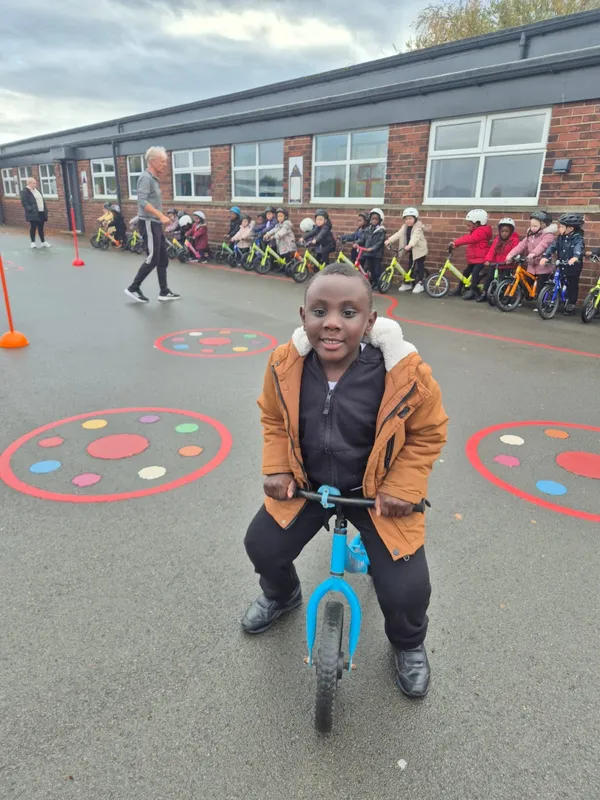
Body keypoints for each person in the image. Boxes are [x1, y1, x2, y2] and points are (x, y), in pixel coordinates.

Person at [241, 262, 448, 697]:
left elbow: (428, 432)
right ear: (303, 317)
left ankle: (408, 645)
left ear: (369, 322)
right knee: (261, 544)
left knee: (407, 589)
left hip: (377, 495)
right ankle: (282, 594)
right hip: (309, 487)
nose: (332, 323)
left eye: (348, 313)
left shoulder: (404, 375)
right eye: (319, 311)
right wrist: (278, 467)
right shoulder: (285, 366)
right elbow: (274, 418)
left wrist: (401, 489)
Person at [125, 146, 180, 303]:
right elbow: (142, 202)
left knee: (163, 258)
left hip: (154, 223)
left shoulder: (153, 179)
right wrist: (161, 216)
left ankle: (164, 291)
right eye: (162, 161)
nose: (164, 164)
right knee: (153, 257)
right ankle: (133, 288)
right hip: (149, 223)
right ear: (152, 161)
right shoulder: (146, 178)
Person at [506, 212, 557, 303]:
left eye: (535, 225)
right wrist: (511, 254)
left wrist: (533, 253)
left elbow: (543, 245)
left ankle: (542, 303)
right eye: (531, 225)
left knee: (541, 285)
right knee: (526, 282)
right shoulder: (530, 235)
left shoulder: (548, 235)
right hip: (532, 264)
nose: (532, 227)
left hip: (543, 265)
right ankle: (524, 298)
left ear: (543, 225)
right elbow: (521, 245)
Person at [540, 213, 585, 315]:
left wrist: (575, 257)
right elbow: (552, 246)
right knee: (555, 278)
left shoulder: (578, 239)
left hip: (573, 266)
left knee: (572, 285)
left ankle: (571, 303)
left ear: (570, 228)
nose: (559, 229)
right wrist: (545, 256)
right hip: (561, 263)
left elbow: (579, 248)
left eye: (562, 227)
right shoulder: (560, 237)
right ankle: (553, 298)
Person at [471, 218, 520, 303]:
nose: (504, 233)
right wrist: (487, 260)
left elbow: (515, 250)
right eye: (502, 231)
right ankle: (485, 294)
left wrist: (510, 259)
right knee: (489, 278)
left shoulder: (515, 240)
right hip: (496, 263)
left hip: (507, 264)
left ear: (511, 231)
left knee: (504, 279)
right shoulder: (497, 239)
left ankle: (503, 296)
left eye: (506, 231)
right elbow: (492, 250)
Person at [448, 210, 493, 298]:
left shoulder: (481, 232)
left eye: (469, 225)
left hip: (480, 259)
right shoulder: (476, 231)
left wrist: (456, 242)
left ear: (477, 224)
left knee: (475, 273)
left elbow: (469, 239)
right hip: (474, 259)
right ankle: (459, 288)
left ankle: (473, 291)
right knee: (465, 273)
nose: (467, 227)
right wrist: (455, 246)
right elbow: (470, 241)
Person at [386, 207, 428, 295]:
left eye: (410, 219)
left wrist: (410, 245)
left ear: (415, 218)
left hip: (419, 250)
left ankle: (420, 284)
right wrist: (389, 240)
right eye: (406, 219)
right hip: (411, 250)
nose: (408, 221)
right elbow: (398, 234)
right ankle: (408, 283)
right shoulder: (405, 227)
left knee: (419, 265)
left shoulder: (418, 227)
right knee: (410, 266)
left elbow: (415, 237)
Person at [358, 208, 386, 288]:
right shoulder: (368, 229)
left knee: (377, 269)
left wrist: (372, 248)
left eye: (376, 219)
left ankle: (378, 282)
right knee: (370, 268)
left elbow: (380, 242)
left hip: (376, 254)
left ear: (380, 220)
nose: (374, 221)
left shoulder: (381, 230)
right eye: (372, 219)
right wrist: (357, 243)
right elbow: (362, 238)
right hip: (368, 253)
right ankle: (373, 281)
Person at [20, 177, 50, 248]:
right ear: (29, 183)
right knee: (33, 227)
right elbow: (24, 202)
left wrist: (45, 209)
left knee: (41, 228)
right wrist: (30, 209)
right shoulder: (25, 191)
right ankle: (33, 242)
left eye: (35, 183)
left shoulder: (37, 190)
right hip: (33, 213)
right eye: (34, 183)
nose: (35, 184)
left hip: (41, 211)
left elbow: (41, 200)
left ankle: (43, 242)